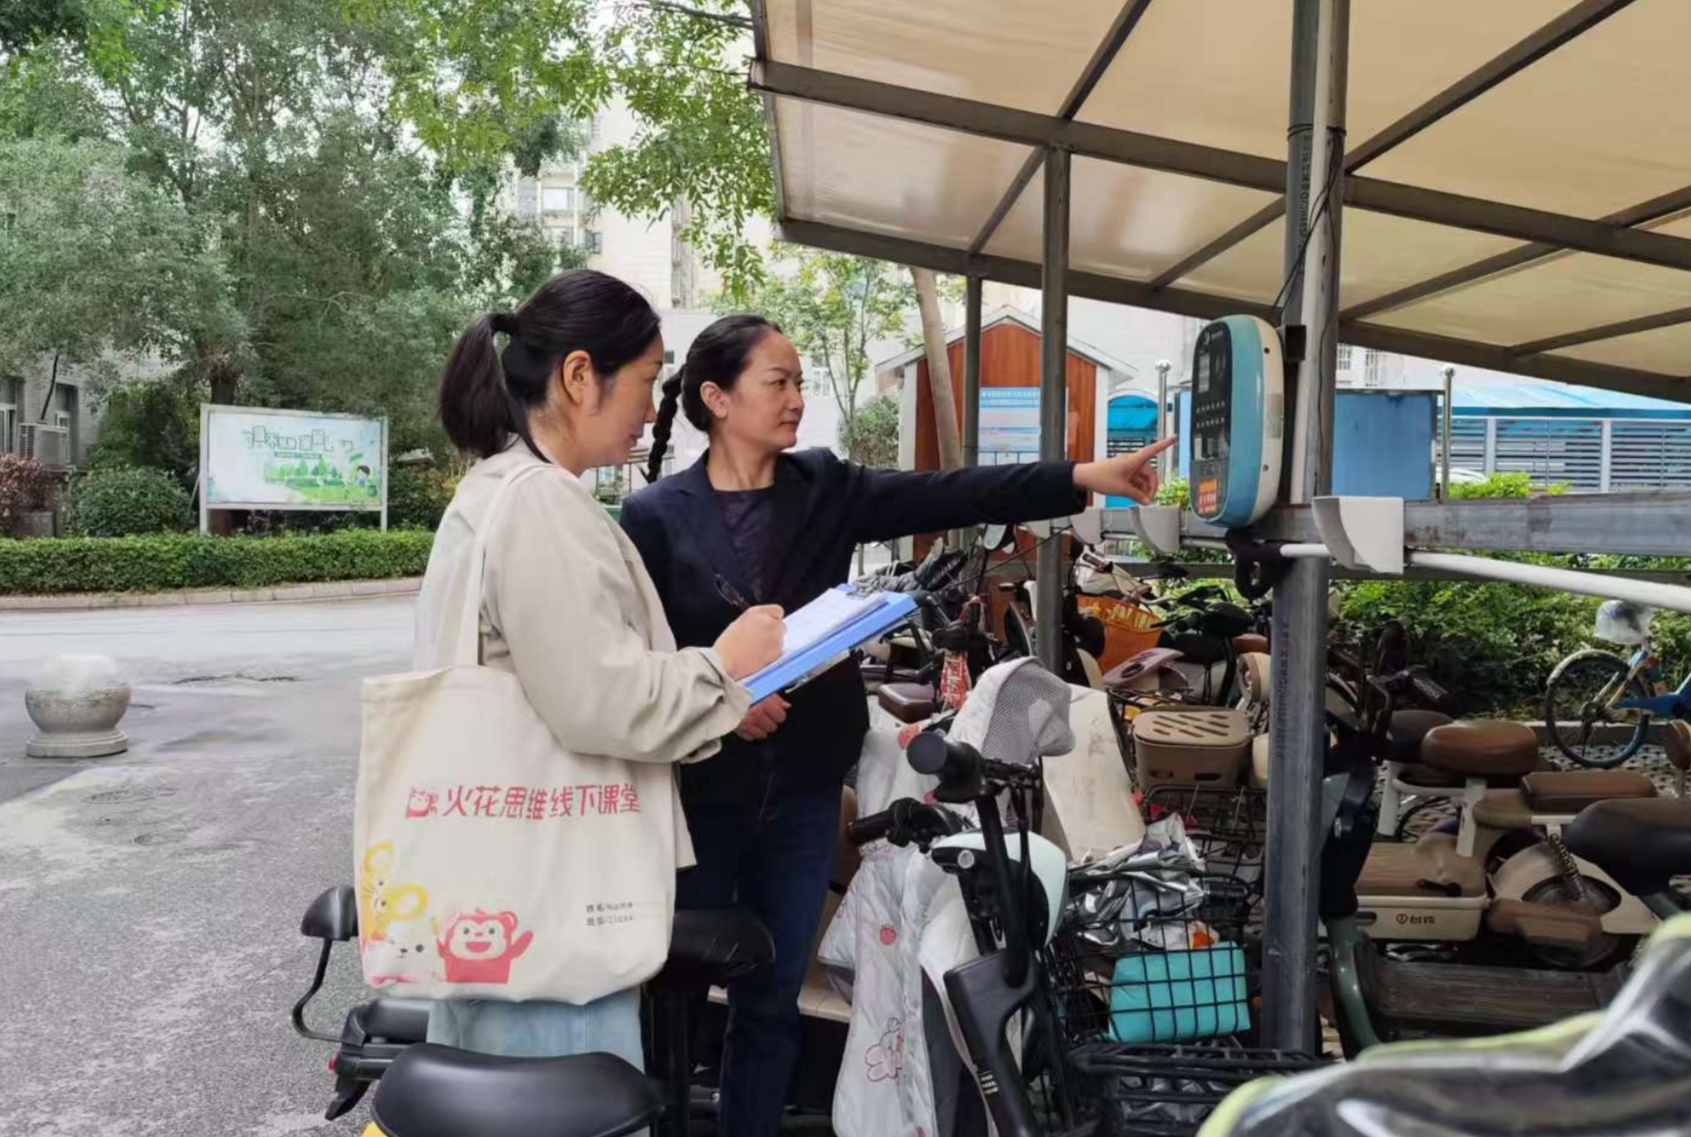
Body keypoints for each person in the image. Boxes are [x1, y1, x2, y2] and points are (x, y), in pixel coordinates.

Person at [620, 313, 1176, 1135]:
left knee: (771, 997)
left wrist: (1084, 474)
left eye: (799, 381)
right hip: (698, 788)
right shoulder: (654, 515)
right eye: (778, 381)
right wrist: (723, 698)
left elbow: (956, 490)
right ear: (717, 398)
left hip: (804, 787)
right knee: (671, 991)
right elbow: (639, 651)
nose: (796, 397)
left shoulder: (823, 487)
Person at [412, 272, 785, 1067]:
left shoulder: (494, 490)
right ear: (580, 376)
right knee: (562, 1098)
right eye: (645, 380)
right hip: (554, 900)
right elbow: (601, 700)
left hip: (503, 886)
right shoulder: (540, 503)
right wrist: (724, 665)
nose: (651, 409)